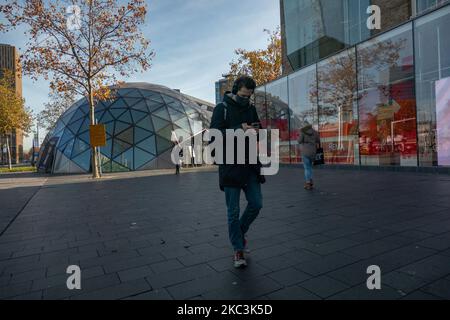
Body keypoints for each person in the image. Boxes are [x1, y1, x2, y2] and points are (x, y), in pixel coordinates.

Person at [210, 76, 264, 269]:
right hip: (231, 164)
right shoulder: (221, 108)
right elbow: (214, 135)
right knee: (232, 212)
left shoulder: (250, 108)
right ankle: (238, 248)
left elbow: (258, 127)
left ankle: (239, 234)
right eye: (243, 95)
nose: (246, 99)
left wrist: (257, 130)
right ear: (235, 90)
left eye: (249, 96)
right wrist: (239, 129)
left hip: (249, 163)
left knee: (256, 204)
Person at [299, 122, 320, 190]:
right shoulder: (315, 132)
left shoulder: (303, 132)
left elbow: (299, 141)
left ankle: (308, 183)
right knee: (310, 167)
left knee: (307, 168)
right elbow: (318, 141)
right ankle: (310, 182)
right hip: (313, 151)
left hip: (305, 151)